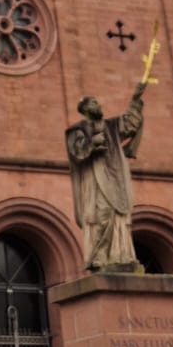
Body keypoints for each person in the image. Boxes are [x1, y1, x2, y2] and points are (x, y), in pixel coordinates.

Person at [66, 82, 148, 272]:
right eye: (93, 103)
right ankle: (99, 257)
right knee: (101, 215)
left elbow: (130, 124)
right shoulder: (77, 129)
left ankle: (120, 256)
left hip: (115, 177)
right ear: (84, 108)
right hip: (96, 180)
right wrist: (92, 143)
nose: (98, 105)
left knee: (119, 215)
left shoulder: (111, 126)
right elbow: (76, 151)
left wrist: (135, 98)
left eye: (98, 102)